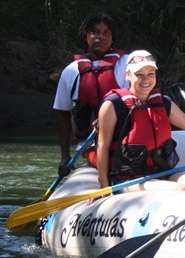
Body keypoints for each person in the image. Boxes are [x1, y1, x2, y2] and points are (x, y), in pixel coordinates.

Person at [95, 50, 185, 192]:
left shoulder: (163, 103)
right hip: (127, 179)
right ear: (128, 75)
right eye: (139, 75)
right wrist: (104, 186)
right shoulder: (113, 105)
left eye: (150, 74)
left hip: (161, 173)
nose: (146, 79)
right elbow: (103, 146)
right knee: (180, 189)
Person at [52, 12, 129, 177]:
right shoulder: (71, 71)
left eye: (105, 32)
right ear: (86, 37)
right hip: (92, 145)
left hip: (127, 141)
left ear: (112, 37)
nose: (100, 37)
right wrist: (65, 157)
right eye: (94, 32)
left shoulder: (128, 64)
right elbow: (62, 115)